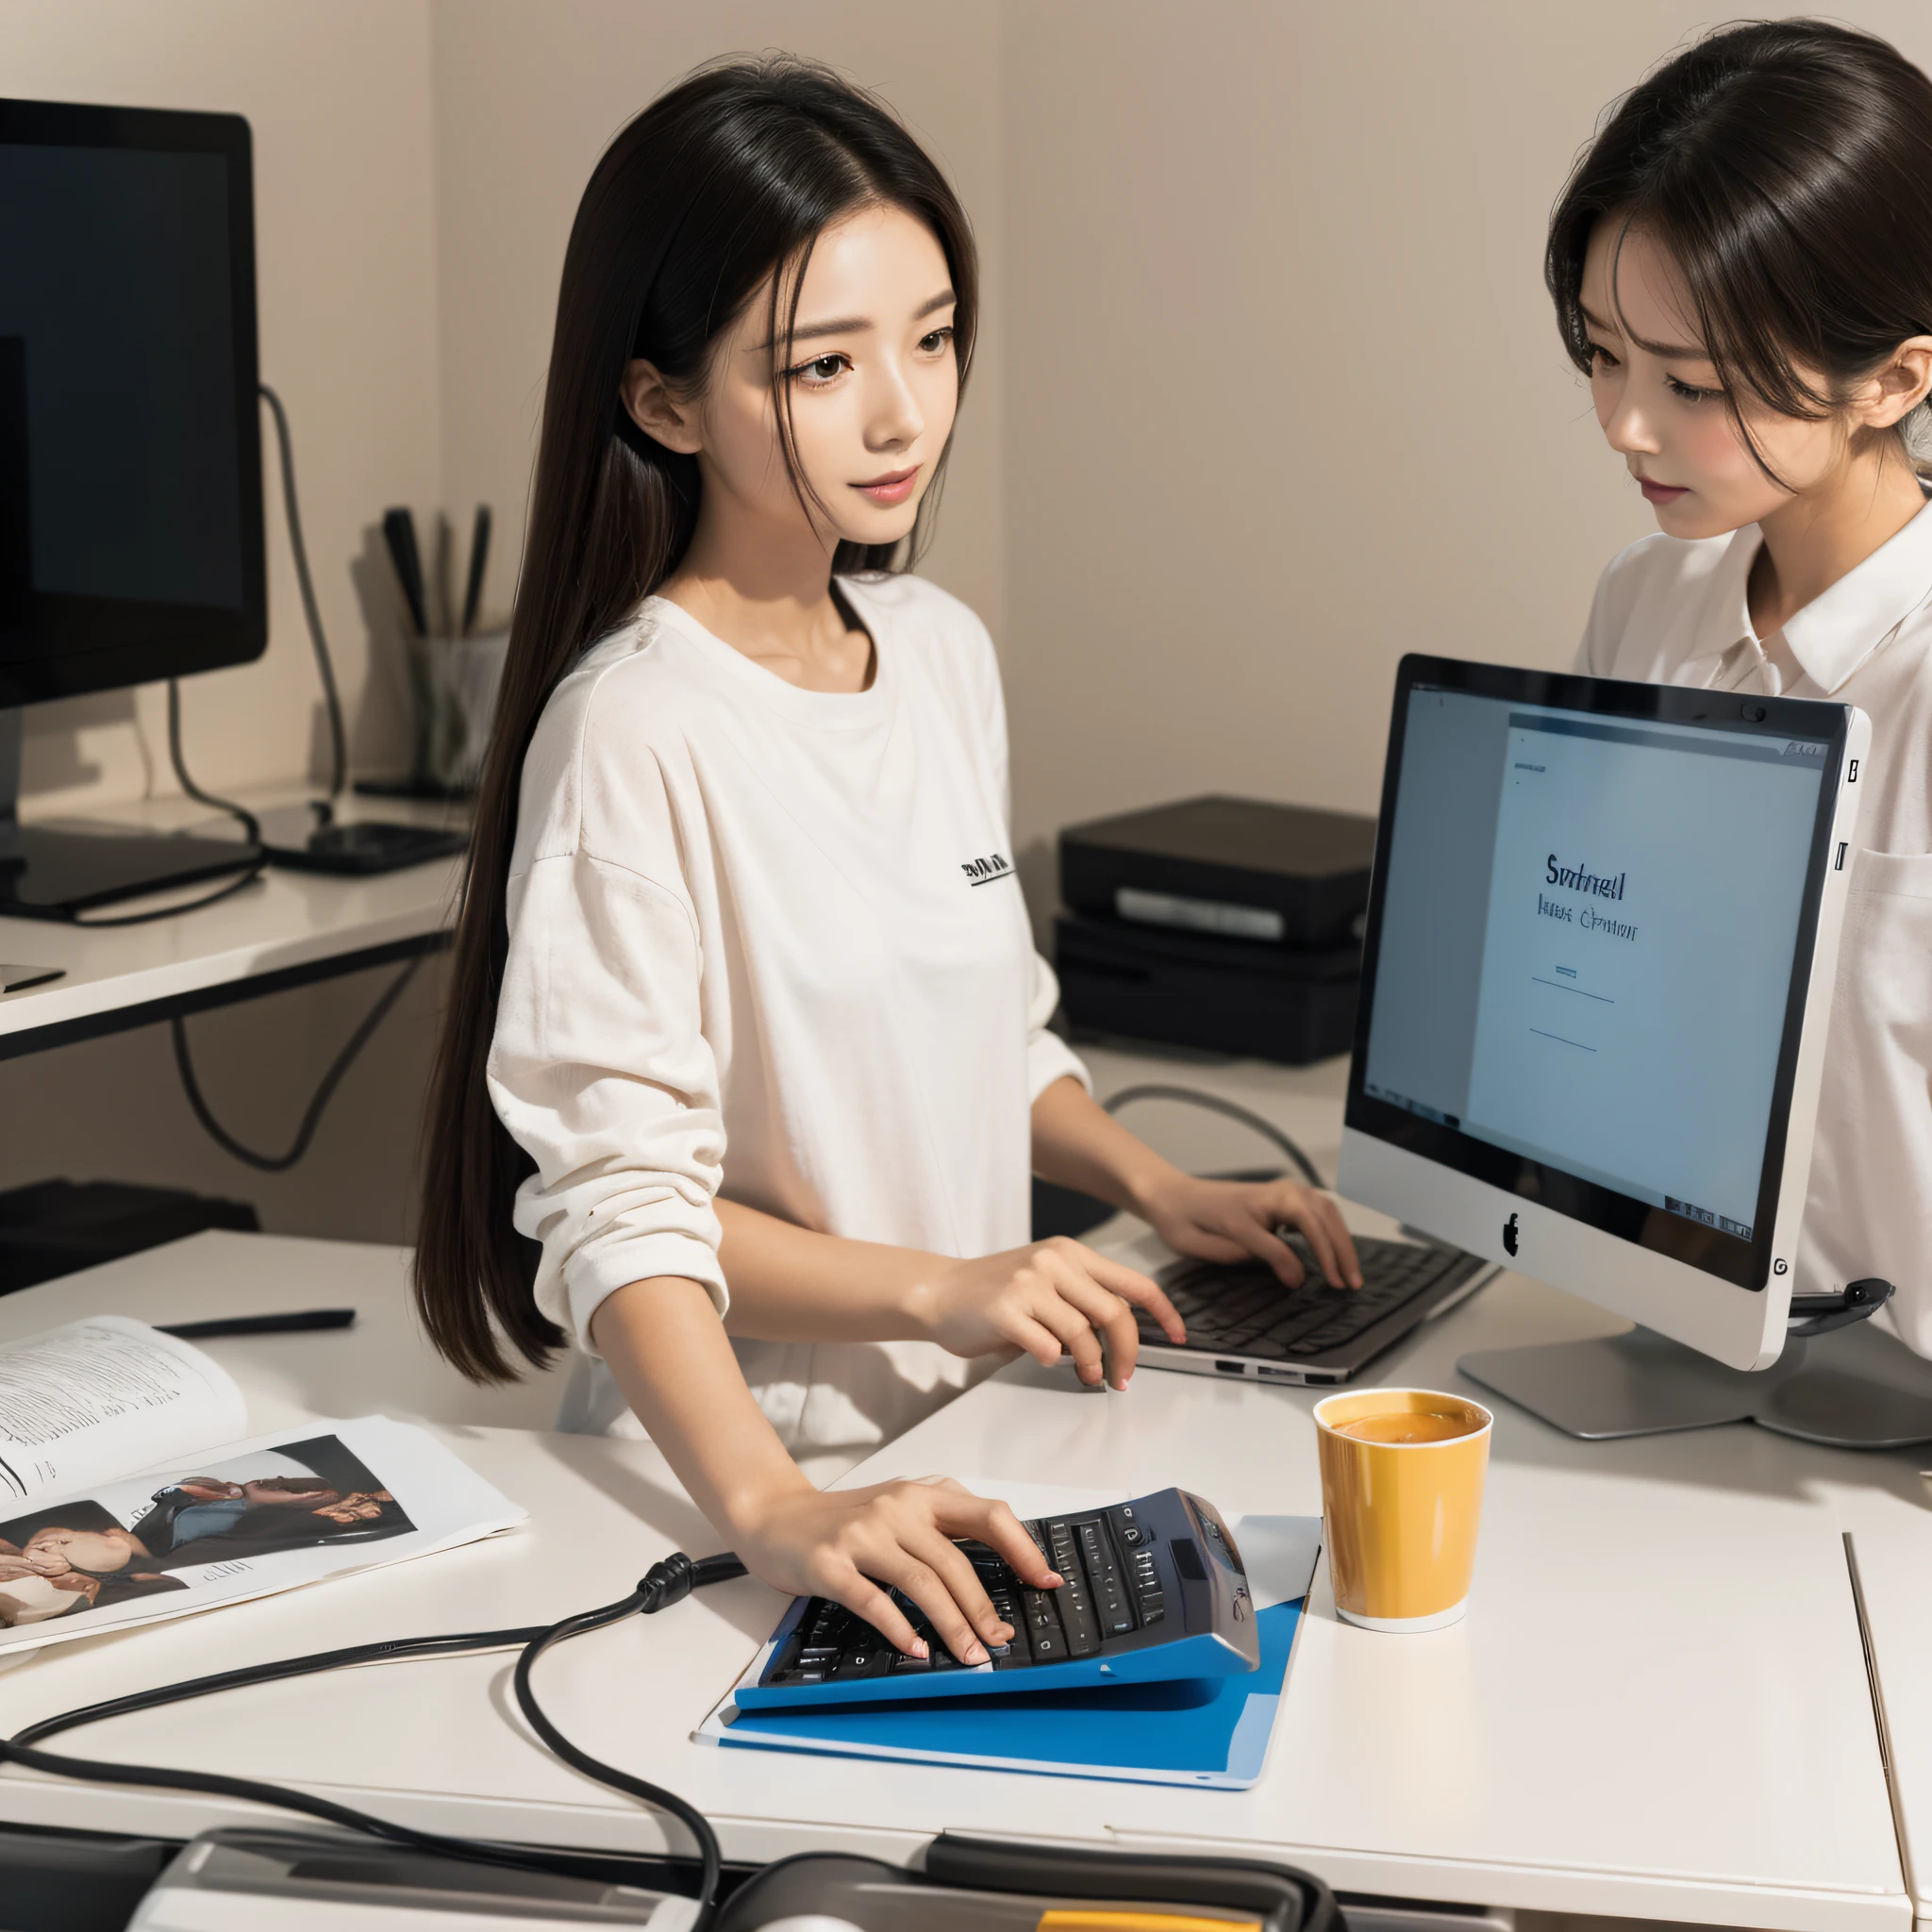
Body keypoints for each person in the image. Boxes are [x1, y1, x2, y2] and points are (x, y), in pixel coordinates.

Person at [414, 57, 1360, 1670]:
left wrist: (1153, 1186)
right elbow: (625, 1210)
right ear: (661, 402)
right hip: (750, 1478)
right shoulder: (635, 730)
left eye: (930, 338)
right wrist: (786, 1492)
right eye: (824, 362)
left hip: (978, 1440)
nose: (902, 410)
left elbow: (990, 1032)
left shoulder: (937, 650)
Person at [1547, 19, 1932, 1354]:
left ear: (1892, 379)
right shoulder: (1645, 600)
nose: (1623, 424)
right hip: (1693, 1341)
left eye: (1694, 384)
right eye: (1603, 352)